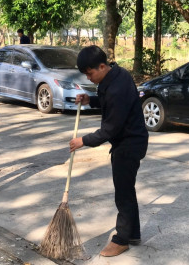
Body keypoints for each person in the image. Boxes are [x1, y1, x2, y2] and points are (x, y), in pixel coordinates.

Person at [69, 45, 148, 257]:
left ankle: (121, 240)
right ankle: (133, 233)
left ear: (102, 66)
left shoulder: (117, 88)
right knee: (127, 189)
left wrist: (83, 141)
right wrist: (90, 100)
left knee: (123, 194)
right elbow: (108, 104)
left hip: (129, 144)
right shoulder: (116, 74)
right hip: (129, 140)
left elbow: (110, 129)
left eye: (90, 73)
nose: (89, 78)